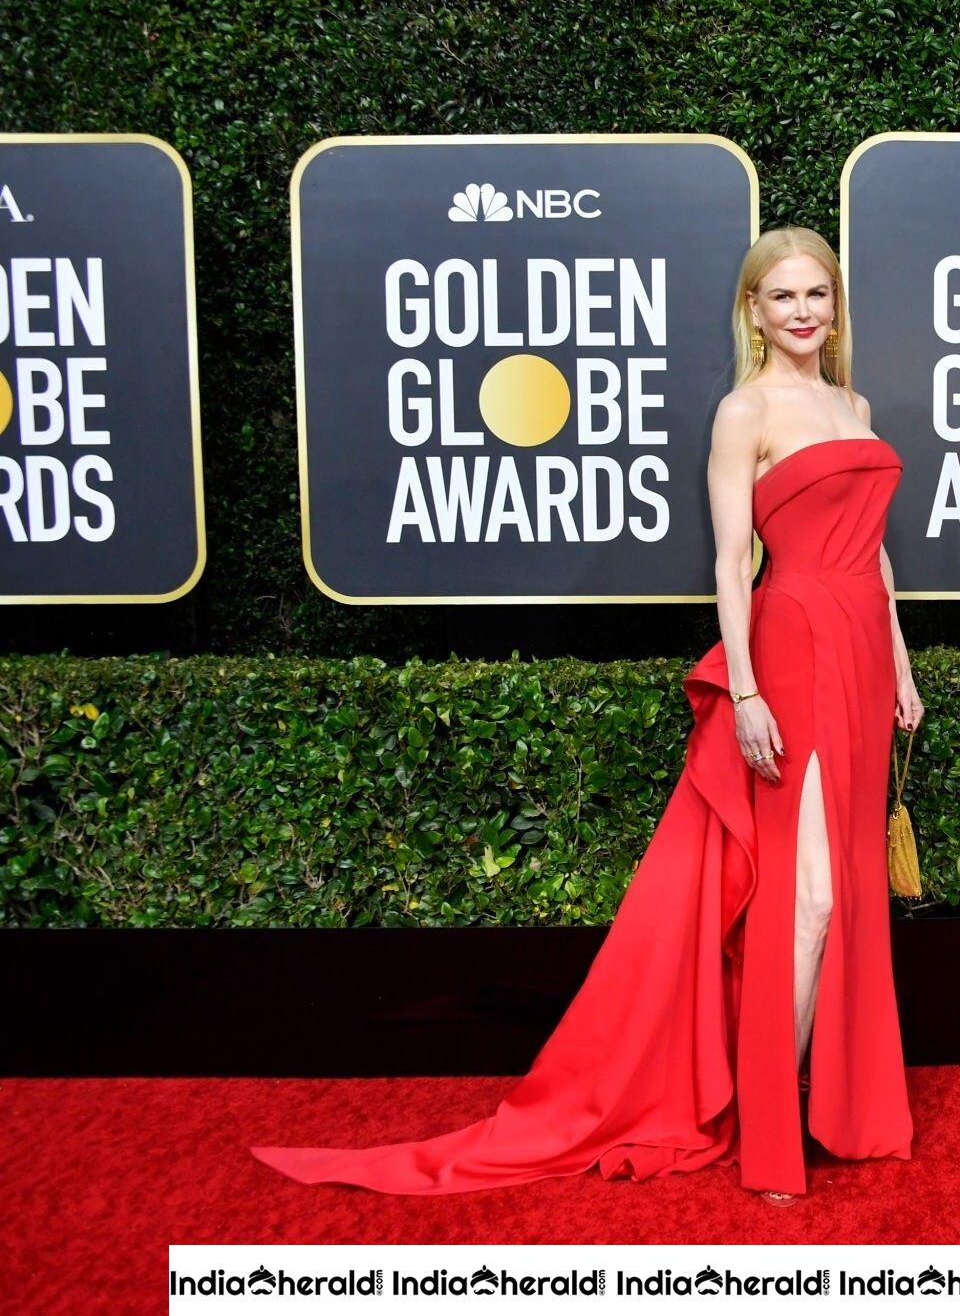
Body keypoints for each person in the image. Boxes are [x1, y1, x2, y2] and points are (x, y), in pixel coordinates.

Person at [253, 227, 922, 1201]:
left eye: (816, 293)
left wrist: (899, 663)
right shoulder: (743, 412)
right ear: (752, 309)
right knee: (807, 899)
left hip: (863, 655)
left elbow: (876, 552)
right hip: (794, 650)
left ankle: (819, 1101)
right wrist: (742, 689)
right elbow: (732, 564)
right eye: (781, 296)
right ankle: (767, 1124)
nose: (802, 311)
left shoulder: (853, 404)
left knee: (849, 892)